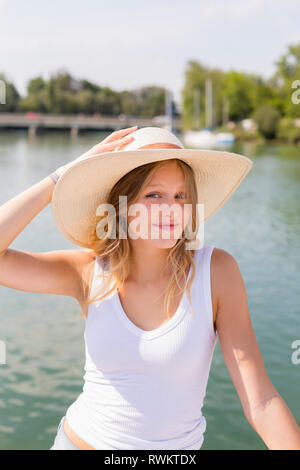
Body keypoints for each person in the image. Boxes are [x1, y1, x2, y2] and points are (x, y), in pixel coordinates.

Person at [0, 126, 299, 450]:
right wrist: (61, 177)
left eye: (180, 195)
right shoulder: (89, 271)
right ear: (123, 205)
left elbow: (262, 402)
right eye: (154, 194)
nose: (171, 208)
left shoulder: (216, 272)